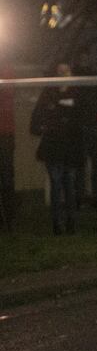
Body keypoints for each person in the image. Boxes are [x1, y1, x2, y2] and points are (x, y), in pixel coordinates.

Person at [30, 63, 85, 235]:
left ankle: (70, 223)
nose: (62, 75)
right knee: (56, 184)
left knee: (69, 185)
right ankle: (57, 224)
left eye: (65, 71)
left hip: (69, 147)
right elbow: (37, 118)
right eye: (59, 72)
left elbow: (81, 118)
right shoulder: (48, 94)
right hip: (53, 147)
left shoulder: (76, 93)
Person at [0, 62, 15, 231]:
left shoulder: (6, 70)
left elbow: (7, 93)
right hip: (6, 132)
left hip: (5, 133)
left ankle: (9, 217)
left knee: (6, 175)